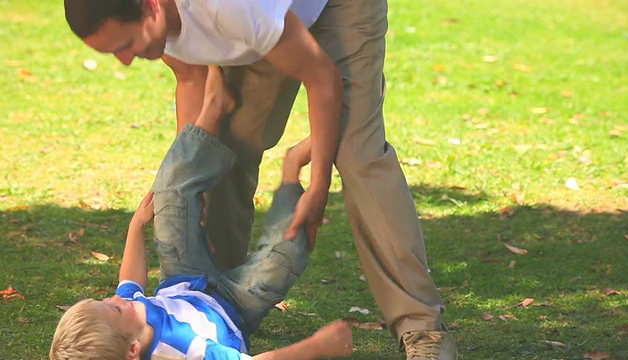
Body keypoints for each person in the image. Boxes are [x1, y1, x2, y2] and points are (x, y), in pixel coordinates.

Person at [63, 0, 458, 358]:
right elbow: (190, 80)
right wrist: (191, 184)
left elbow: (321, 76)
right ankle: (221, 303)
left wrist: (318, 183)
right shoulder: (159, 25)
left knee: (357, 154)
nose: (126, 61)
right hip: (269, 20)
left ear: (150, 7)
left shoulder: (228, 7)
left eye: (126, 44)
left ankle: (422, 330)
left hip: (337, 6)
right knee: (225, 148)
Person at [49, 114, 352, 359]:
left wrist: (136, 226)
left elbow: (129, 285)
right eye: (113, 307)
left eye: (105, 299)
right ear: (133, 350)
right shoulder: (182, 352)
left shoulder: (127, 317)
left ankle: (214, 111)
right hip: (236, 305)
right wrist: (316, 347)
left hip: (182, 279)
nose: (115, 297)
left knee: (168, 191)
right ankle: (293, 166)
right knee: (284, 254)